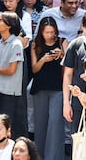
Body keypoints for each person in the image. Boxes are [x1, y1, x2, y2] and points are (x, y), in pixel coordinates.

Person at [29, 16, 66, 160]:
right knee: (40, 125)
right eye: (46, 32)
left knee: (55, 124)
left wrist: (61, 54)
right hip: (40, 87)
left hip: (57, 87)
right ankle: (39, 156)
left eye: (52, 32)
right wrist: (44, 59)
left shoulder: (62, 41)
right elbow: (34, 69)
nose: (50, 35)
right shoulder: (35, 44)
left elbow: (67, 64)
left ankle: (53, 157)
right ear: (41, 32)